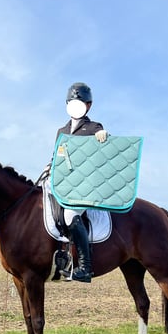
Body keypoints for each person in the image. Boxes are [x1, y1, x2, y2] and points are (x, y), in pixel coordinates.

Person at [53, 82, 108, 283]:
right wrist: (48, 168)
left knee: (70, 214)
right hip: (63, 183)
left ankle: (85, 267)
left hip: (84, 186)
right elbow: (58, 158)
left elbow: (102, 156)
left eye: (80, 102)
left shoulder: (95, 127)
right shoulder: (61, 131)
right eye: (72, 102)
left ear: (88, 105)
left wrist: (103, 137)